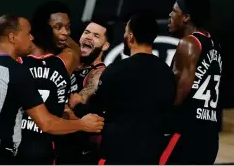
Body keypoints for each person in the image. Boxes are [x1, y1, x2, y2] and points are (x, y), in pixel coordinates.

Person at [0, 14, 104, 165]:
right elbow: (46, 123)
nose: (31, 38)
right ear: (12, 37)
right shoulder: (18, 72)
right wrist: (82, 124)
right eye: (28, 34)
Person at [70, 13, 176, 165]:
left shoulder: (115, 70)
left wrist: (77, 104)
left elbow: (96, 114)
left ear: (131, 36)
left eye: (126, 32)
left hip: (117, 155)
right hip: (152, 155)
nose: (124, 36)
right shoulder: (167, 73)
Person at [15, 1, 80, 165]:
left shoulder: (63, 60)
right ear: (42, 28)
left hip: (42, 146)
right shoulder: (17, 60)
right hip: (19, 144)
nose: (65, 33)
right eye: (58, 27)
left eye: (68, 27)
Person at [163, 0, 222, 165]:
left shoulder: (188, 43)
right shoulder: (213, 43)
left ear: (186, 17)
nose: (170, 15)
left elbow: (180, 92)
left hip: (185, 134)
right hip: (209, 134)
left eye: (174, 11)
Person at [56, 20, 112, 165]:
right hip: (57, 141)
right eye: (86, 33)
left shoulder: (98, 73)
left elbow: (74, 102)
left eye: (96, 36)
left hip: (77, 151)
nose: (88, 37)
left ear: (105, 46)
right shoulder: (71, 65)